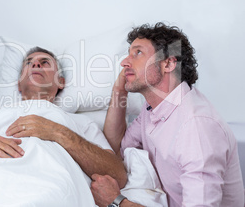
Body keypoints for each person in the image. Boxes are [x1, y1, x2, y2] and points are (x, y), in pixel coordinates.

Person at [91, 23, 244, 206]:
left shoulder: (196, 127)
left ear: (169, 63)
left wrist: (116, 201)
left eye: (138, 53)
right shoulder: (153, 109)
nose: (124, 62)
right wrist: (119, 90)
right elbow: (115, 149)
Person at [0, 47, 127, 188]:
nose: (36, 64)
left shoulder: (80, 123)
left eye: (45, 62)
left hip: (44, 187)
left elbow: (118, 174)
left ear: (60, 82)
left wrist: (58, 133)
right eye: (29, 63)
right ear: (18, 84)